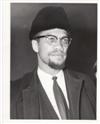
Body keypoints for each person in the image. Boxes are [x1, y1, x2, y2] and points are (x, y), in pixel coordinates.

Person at [10, 6, 96, 119]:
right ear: (35, 45)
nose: (59, 47)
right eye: (51, 39)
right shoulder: (13, 93)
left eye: (64, 40)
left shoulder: (87, 84)